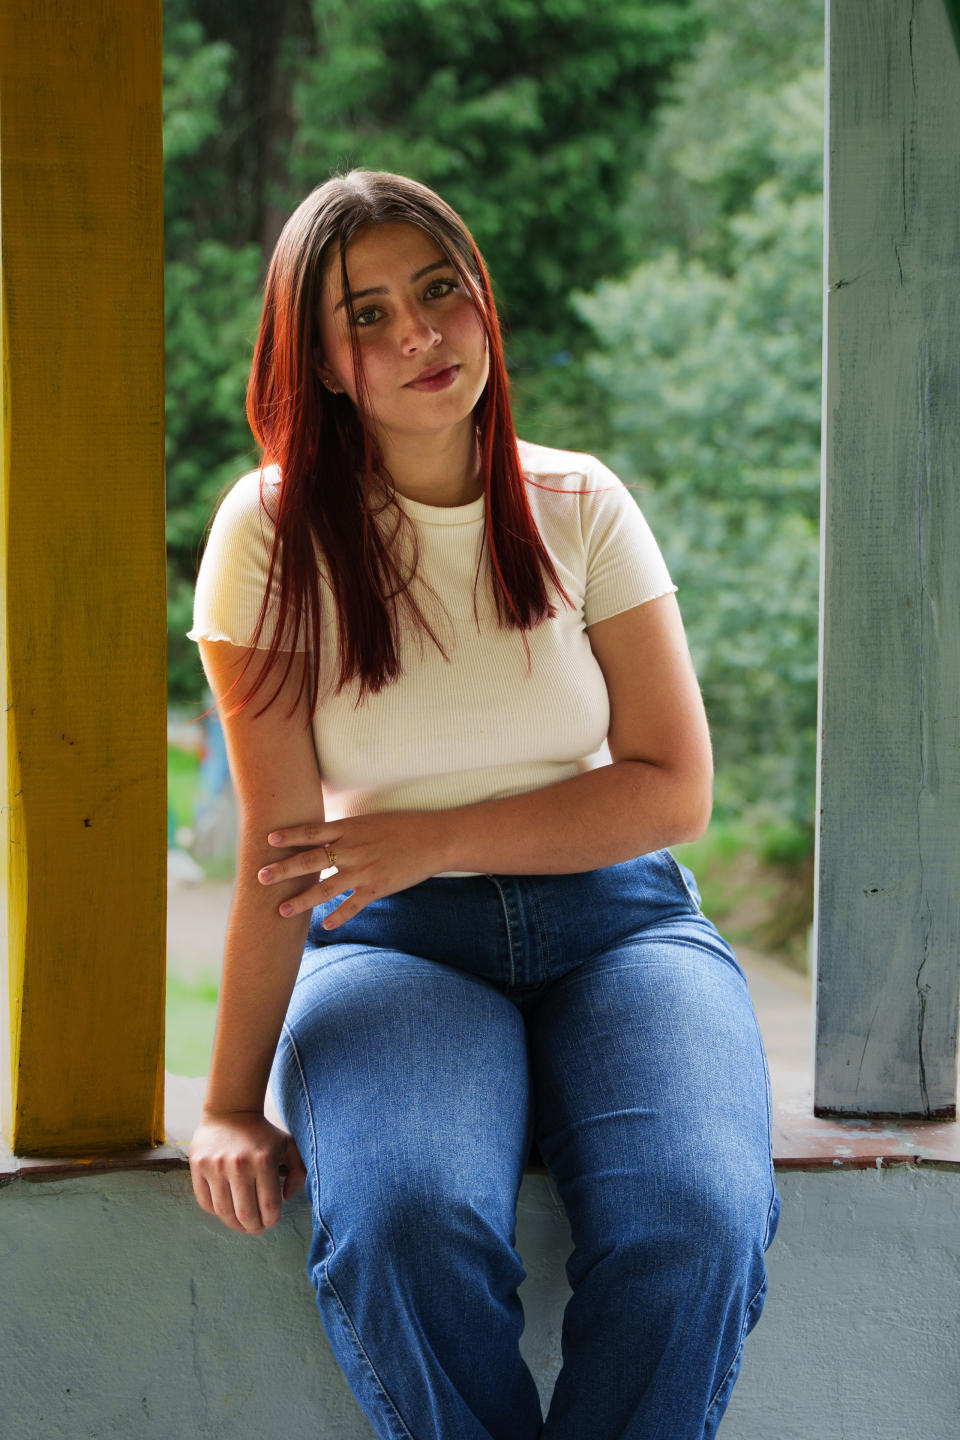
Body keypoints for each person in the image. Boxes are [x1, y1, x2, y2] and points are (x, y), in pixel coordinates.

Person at [187, 169, 780, 1440]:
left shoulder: (578, 503)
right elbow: (284, 857)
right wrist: (231, 1103)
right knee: (406, 1219)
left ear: (483, 301)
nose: (419, 333)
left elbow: (673, 787)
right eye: (368, 315)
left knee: (695, 1217)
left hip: (621, 928)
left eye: (440, 289)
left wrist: (434, 836)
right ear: (321, 360)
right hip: (396, 947)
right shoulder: (270, 531)